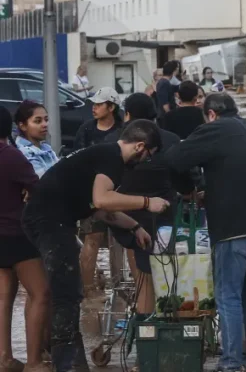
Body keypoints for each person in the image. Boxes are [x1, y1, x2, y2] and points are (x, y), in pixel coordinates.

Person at [23, 120, 167, 372]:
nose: (145, 161)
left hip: (47, 220)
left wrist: (134, 227)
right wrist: (147, 203)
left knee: (69, 292)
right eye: (147, 155)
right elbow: (103, 198)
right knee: (66, 295)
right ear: (140, 146)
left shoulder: (104, 156)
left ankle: (74, 362)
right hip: (49, 222)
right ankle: (64, 364)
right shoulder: (112, 158)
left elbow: (99, 208)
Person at [164, 93, 246, 372]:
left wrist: (187, 189)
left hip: (234, 229)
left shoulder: (214, 129)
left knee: (228, 297)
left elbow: (174, 158)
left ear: (212, 114)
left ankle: (230, 364)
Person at [105, 94, 193, 321]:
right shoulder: (171, 140)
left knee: (142, 276)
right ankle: (165, 321)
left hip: (125, 215)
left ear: (128, 115)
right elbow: (185, 178)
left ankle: (145, 324)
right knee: (168, 272)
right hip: (164, 216)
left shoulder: (116, 143)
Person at [0, 107, 51, 372]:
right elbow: (39, 189)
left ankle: (5, 358)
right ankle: (33, 361)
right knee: (40, 292)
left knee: (4, 297)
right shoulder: (12, 156)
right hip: (17, 236)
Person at [74, 87, 123, 297]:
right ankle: (88, 290)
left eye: (98, 104)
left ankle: (119, 286)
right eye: (93, 104)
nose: (93, 108)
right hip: (91, 195)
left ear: (111, 107)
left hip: (119, 193)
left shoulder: (124, 131)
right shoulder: (85, 130)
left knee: (119, 242)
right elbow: (77, 161)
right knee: (92, 239)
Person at [15, 100, 59, 177]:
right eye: (38, 121)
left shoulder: (46, 148)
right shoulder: (23, 153)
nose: (45, 124)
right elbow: (45, 182)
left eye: (46, 120)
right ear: (23, 126)